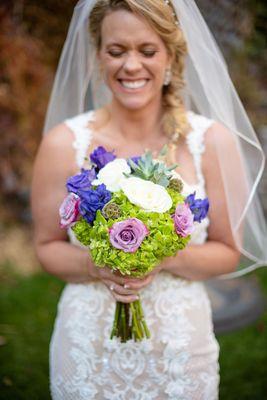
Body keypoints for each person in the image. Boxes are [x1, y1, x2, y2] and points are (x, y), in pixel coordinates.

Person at [31, 0, 267, 399]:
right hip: (87, 345)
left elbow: (228, 251)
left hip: (180, 347)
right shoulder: (63, 143)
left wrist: (162, 258)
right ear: (98, 56)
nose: (131, 66)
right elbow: (46, 247)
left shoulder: (211, 142)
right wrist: (97, 264)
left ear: (171, 57)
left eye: (147, 50)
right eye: (117, 51)